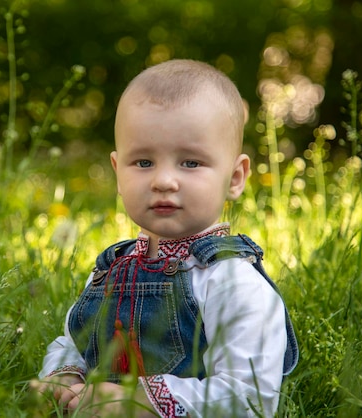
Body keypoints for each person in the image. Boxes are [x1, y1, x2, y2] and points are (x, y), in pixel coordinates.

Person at [33, 59, 298, 417]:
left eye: (190, 163)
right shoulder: (111, 270)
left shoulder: (232, 282)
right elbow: (75, 342)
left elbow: (250, 398)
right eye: (143, 163)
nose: (163, 181)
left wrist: (136, 402)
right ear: (117, 172)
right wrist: (64, 376)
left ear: (235, 178)